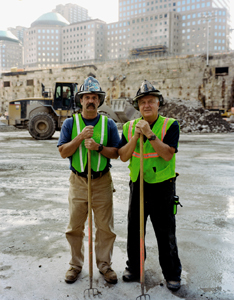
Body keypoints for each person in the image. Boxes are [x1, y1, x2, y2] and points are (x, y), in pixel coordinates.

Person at [118, 80, 182, 291]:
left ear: (158, 103)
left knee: (165, 233)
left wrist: (150, 135)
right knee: (135, 230)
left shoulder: (170, 125)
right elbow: (123, 157)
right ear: (138, 106)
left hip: (162, 186)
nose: (146, 105)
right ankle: (134, 269)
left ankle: (172, 274)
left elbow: (166, 154)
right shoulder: (128, 127)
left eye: (151, 101)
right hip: (137, 184)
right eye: (142, 102)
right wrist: (136, 136)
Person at [57, 76, 120, 284]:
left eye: (94, 97)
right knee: (75, 227)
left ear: (99, 101)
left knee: (105, 228)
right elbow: (63, 152)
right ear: (81, 100)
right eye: (86, 97)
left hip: (102, 181)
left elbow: (116, 153)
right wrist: (80, 138)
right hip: (78, 181)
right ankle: (75, 265)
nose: (90, 100)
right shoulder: (70, 123)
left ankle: (104, 266)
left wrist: (99, 148)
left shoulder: (108, 124)